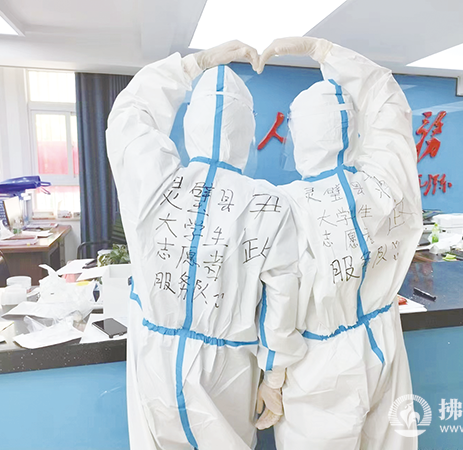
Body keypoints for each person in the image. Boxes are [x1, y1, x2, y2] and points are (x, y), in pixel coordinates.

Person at [106, 41, 306, 450]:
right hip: (228, 372)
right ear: (248, 132)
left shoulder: (154, 179)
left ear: (190, 122)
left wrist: (191, 66)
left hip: (154, 361)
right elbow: (282, 300)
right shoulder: (269, 204)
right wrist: (273, 377)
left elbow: (128, 114)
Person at [254, 38, 423, 449]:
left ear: (301, 135)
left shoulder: (288, 205)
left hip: (320, 366)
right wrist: (326, 52)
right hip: (384, 342)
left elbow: (282, 303)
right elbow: (387, 103)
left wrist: (272, 377)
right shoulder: (385, 181)